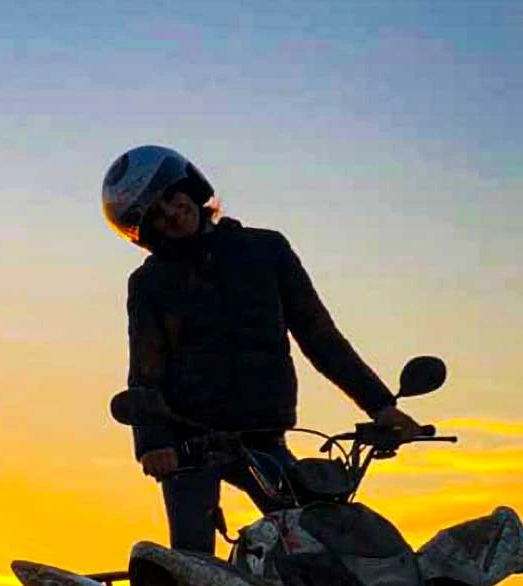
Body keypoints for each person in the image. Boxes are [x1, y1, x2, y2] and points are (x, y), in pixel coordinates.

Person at [101, 145, 420, 553]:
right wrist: (153, 443)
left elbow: (320, 336)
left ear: (189, 185)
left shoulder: (266, 250)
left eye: (170, 197)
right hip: (188, 445)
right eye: (156, 216)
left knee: (319, 544)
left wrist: (380, 405)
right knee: (195, 563)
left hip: (266, 437)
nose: (172, 214)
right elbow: (146, 369)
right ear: (147, 233)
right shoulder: (150, 283)